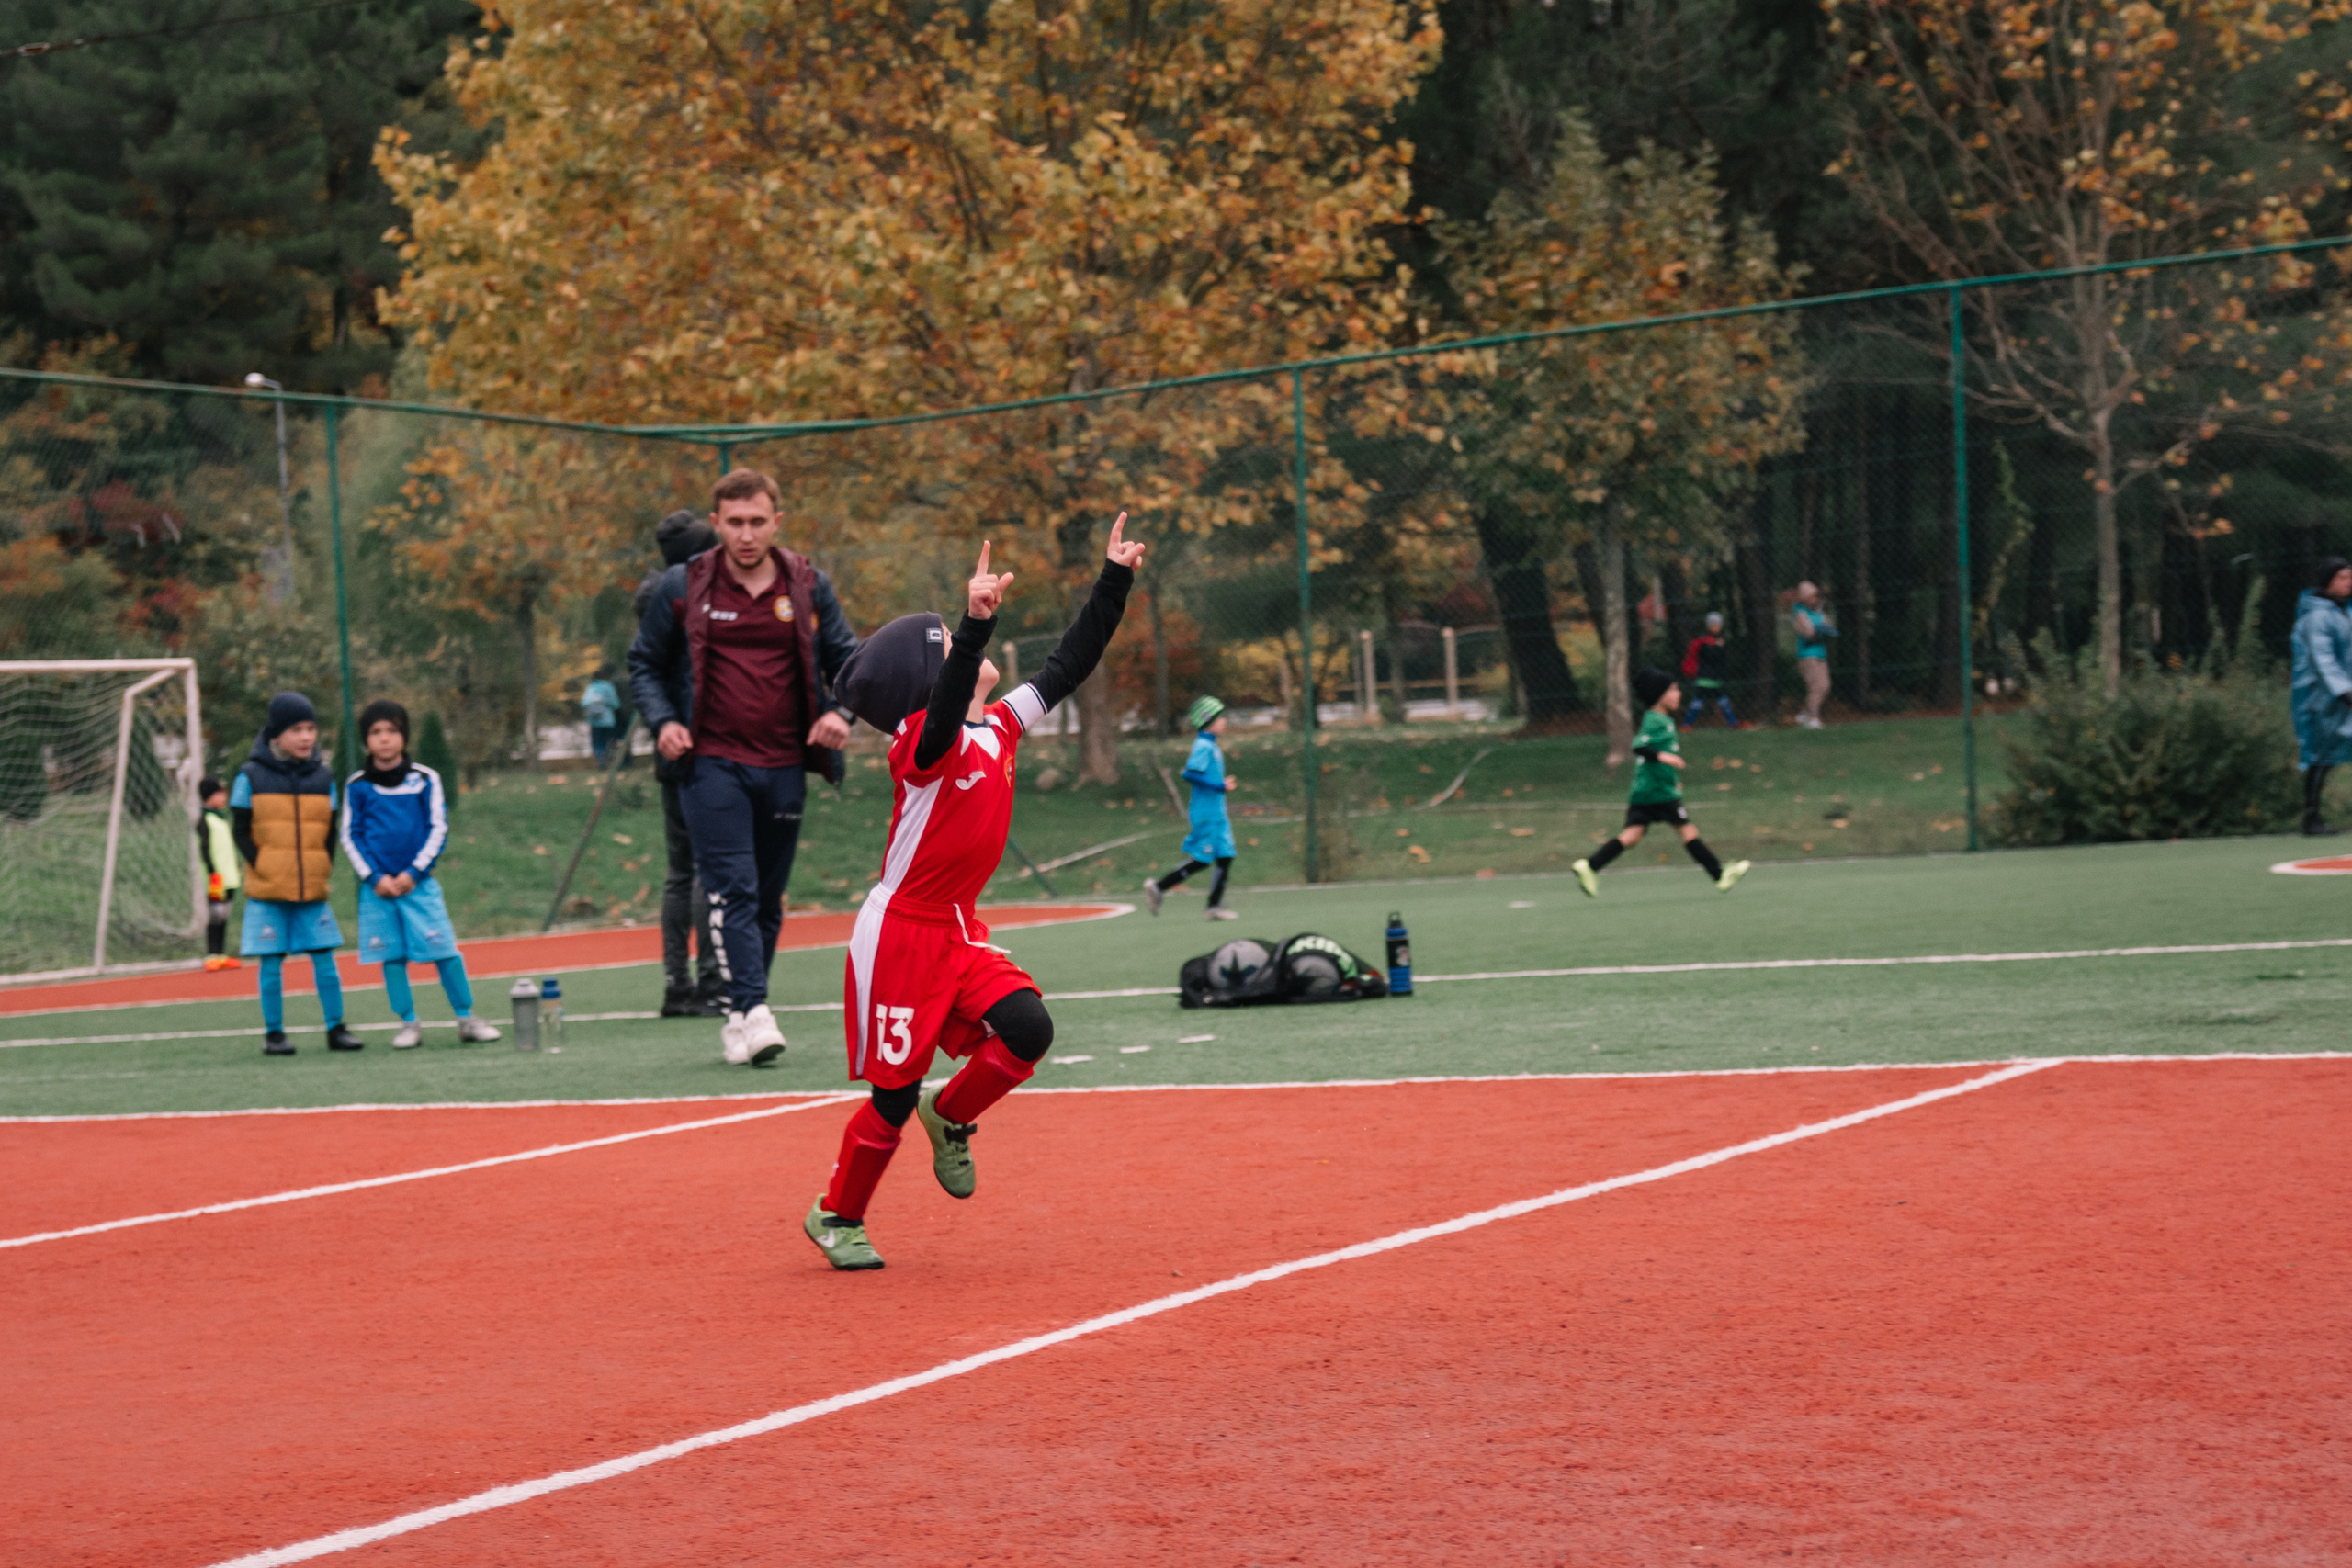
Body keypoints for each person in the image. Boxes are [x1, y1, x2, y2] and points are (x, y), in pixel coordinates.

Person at [805, 517, 1145, 1271]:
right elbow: (954, 683)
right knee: (892, 1095)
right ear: (933, 681)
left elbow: (1070, 663)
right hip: (900, 934)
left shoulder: (998, 727)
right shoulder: (923, 746)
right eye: (952, 654)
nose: (971, 661)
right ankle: (838, 1215)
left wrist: (1113, 578)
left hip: (956, 928)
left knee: (1028, 1029)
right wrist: (973, 625)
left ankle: (950, 1116)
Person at [628, 470, 859, 1064]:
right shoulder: (683, 587)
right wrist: (665, 723)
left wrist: (842, 713)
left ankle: (738, 1012)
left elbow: (851, 662)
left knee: (769, 897)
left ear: (777, 522)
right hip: (710, 764)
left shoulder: (808, 585)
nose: (747, 533)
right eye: (735, 523)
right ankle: (755, 1009)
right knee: (734, 886)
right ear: (716, 524)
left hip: (784, 763)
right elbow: (645, 664)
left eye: (758, 521)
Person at [343, 699, 502, 1049]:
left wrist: (414, 872)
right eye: (375, 732)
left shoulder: (426, 779)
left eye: (392, 731)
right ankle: (408, 1024)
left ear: (404, 736)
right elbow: (350, 835)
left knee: (445, 951)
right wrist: (374, 877)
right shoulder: (357, 786)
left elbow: (438, 827)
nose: (384, 739)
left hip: (418, 886)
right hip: (379, 891)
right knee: (393, 957)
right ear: (365, 740)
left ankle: (466, 1018)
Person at [232, 692, 360, 1055]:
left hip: (312, 893)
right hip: (269, 892)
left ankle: (336, 1028)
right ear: (275, 736)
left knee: (326, 961)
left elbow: (330, 830)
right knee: (271, 964)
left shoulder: (324, 776)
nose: (306, 737)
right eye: (296, 730)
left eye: (310, 729)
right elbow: (240, 829)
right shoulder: (250, 776)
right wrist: (264, 865)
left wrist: (322, 867)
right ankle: (275, 1034)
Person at [636, 510, 725, 1018]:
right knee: (707, 869)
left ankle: (677, 982)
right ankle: (712, 982)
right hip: (705, 743)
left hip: (669, 742)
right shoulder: (696, 594)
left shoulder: (653, 596)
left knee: (679, 869)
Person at [1572, 668, 1749, 897]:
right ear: (1659, 694)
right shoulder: (1655, 720)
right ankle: (1719, 875)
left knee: (1631, 836)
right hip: (1657, 792)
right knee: (1687, 831)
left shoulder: (1662, 720)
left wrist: (1673, 780)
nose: (1678, 694)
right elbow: (1639, 746)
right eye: (1673, 690)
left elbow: (1652, 759)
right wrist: (1665, 757)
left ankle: (1590, 866)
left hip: (1648, 790)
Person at [1144, 694, 1239, 919]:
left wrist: (1221, 786)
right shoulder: (1203, 746)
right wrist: (1219, 785)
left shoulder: (1211, 745)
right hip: (1205, 814)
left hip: (1217, 813)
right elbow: (1190, 773)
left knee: (1226, 856)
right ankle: (1159, 887)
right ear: (1208, 720)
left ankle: (1213, 907)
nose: (1224, 720)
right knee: (1203, 860)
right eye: (1219, 717)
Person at [2290, 555, 2352, 835]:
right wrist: (2344, 692)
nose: (2349, 582)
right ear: (2328, 581)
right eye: (2343, 577)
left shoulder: (2342, 611)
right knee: (2320, 755)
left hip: (2341, 694)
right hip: (2321, 698)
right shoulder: (2317, 617)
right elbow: (2322, 658)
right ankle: (2311, 818)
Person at [196, 775, 243, 972]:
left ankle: (221, 953)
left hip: (230, 877)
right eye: (219, 793)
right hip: (216, 879)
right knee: (215, 916)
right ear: (209, 796)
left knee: (224, 916)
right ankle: (212, 954)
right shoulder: (205, 820)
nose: (224, 797)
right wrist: (213, 872)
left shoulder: (221, 818)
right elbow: (205, 849)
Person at [1679, 612, 1741, 729]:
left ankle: (1733, 723)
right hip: (1705, 678)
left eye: (1718, 625)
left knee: (1719, 700)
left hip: (1713, 678)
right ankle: (1687, 724)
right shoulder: (1705, 643)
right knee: (1701, 701)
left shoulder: (1716, 642)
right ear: (1708, 626)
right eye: (1713, 625)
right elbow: (1711, 657)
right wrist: (1718, 647)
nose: (1716, 627)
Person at [1791, 582, 1837, 728]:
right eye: (1811, 597)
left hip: (1820, 654)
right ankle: (1813, 719)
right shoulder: (1799, 612)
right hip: (1807, 655)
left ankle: (1805, 714)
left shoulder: (1819, 611)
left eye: (1816, 596)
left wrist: (1825, 627)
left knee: (1826, 686)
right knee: (1817, 687)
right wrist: (1820, 629)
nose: (1815, 599)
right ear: (1804, 598)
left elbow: (1829, 626)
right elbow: (1808, 632)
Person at [582, 668, 622, 768]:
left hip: (595, 721)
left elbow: (584, 703)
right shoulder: (609, 687)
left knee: (596, 743)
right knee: (607, 742)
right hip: (608, 721)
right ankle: (606, 760)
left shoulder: (591, 688)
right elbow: (616, 704)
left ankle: (601, 761)